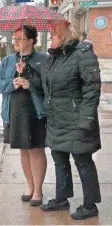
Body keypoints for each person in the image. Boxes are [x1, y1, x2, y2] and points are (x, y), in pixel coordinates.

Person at [17, 21, 102, 220]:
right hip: (56, 118)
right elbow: (45, 86)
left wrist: (87, 118)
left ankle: (90, 205)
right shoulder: (52, 58)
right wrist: (28, 71)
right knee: (59, 159)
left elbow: (92, 88)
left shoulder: (82, 54)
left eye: (53, 34)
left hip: (76, 118)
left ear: (63, 36)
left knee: (82, 160)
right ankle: (61, 198)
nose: (50, 37)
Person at [0, 25, 48, 207]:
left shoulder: (44, 59)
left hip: (35, 111)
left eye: (20, 39)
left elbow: (48, 86)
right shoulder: (9, 60)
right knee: (24, 150)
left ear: (31, 40)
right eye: (15, 38)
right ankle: (30, 187)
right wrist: (12, 83)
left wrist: (30, 84)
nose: (15, 42)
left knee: (36, 150)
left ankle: (38, 191)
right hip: (14, 112)